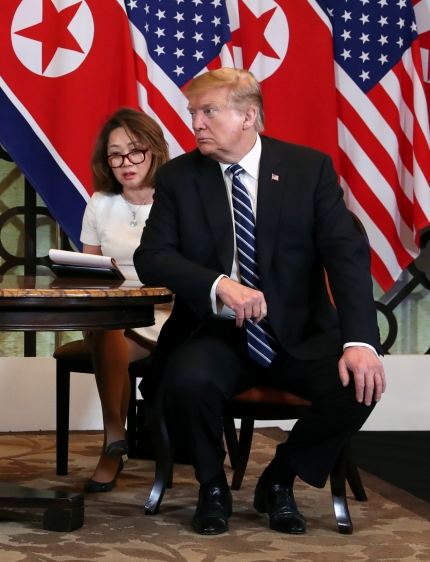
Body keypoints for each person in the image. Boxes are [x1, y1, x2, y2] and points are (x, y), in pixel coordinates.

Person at [134, 68, 385, 536]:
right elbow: (152, 257)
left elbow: (346, 259)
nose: (196, 124)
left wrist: (360, 342)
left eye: (208, 112)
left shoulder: (308, 170)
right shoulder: (178, 177)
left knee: (358, 383)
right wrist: (217, 284)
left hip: (299, 334)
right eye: (193, 113)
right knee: (187, 379)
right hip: (216, 333)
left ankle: (279, 480)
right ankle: (212, 488)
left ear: (249, 116)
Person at [78, 108, 170, 492]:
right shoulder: (100, 202)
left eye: (135, 151)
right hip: (110, 312)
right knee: (106, 322)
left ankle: (112, 443)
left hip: (165, 311)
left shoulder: (176, 198)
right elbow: (88, 270)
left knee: (108, 327)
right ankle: (116, 429)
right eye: (115, 155)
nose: (125, 163)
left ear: (154, 151)